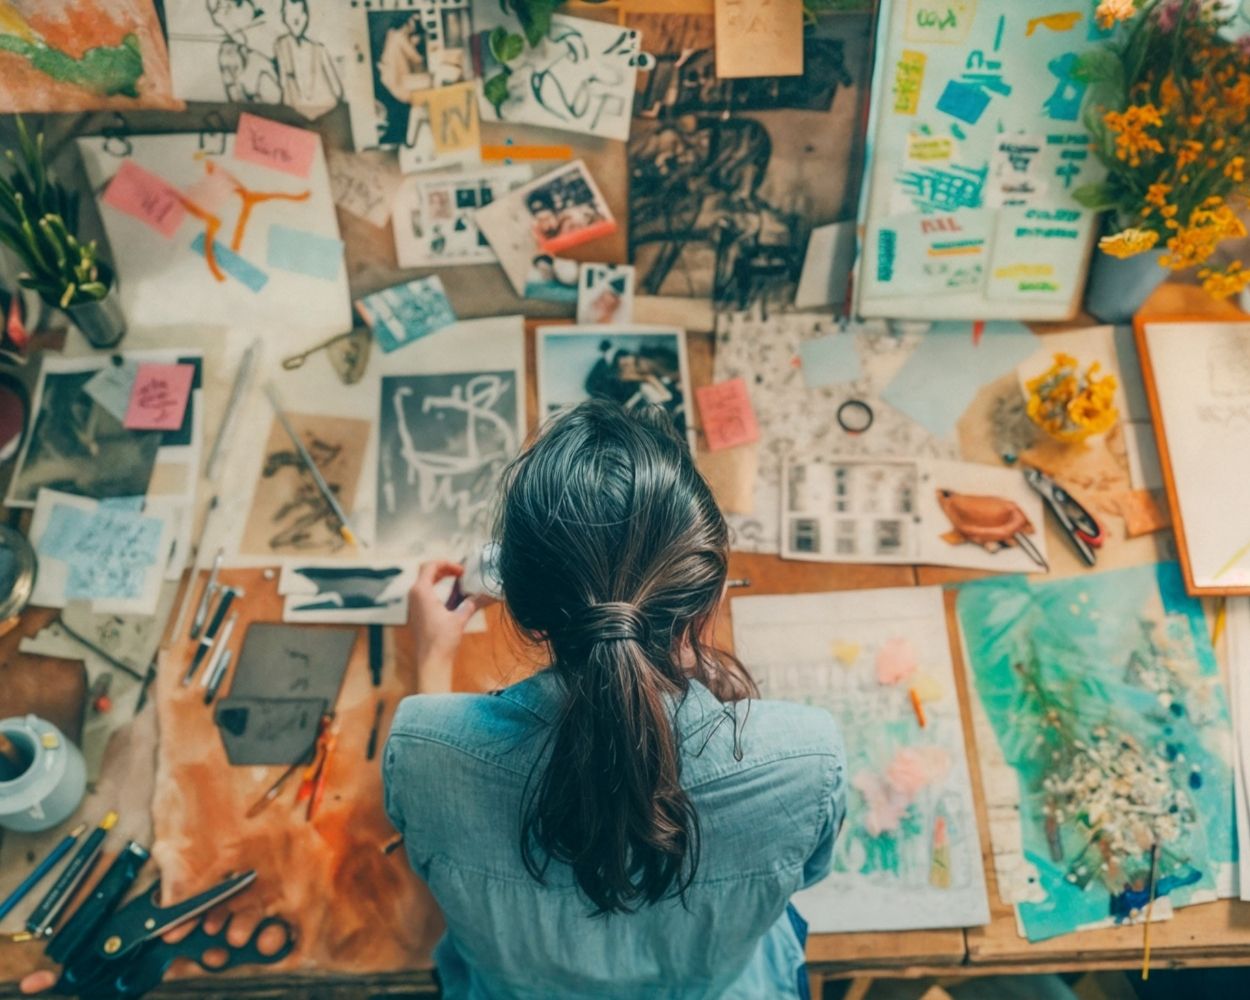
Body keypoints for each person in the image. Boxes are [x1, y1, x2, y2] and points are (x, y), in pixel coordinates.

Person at [385, 399, 845, 999]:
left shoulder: (421, 752)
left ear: (522, 610)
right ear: (708, 601)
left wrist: (432, 659)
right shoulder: (807, 760)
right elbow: (809, 873)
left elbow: (428, 842)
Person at [273, 0, 343, 117]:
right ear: (284, 17)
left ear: (306, 17)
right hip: (296, 114)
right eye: (290, 14)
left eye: (300, 14)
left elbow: (337, 90)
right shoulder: (281, 45)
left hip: (325, 111)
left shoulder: (319, 49)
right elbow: (283, 82)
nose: (296, 20)